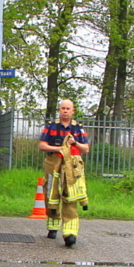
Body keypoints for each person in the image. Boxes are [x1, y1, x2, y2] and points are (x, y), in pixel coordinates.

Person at [38, 99, 91, 247]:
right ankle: (53, 227)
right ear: (59, 110)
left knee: (71, 196)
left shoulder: (78, 128)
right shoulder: (51, 126)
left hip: (72, 165)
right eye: (63, 108)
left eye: (68, 109)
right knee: (51, 195)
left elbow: (85, 149)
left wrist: (75, 143)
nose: (65, 111)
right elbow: (42, 145)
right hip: (53, 163)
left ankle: (70, 234)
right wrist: (58, 149)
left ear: (73, 111)